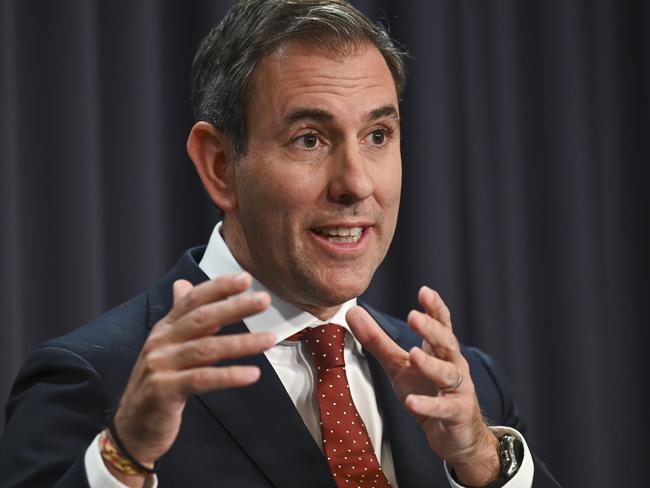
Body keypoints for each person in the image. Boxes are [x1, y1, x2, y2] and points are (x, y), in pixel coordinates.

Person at [0, 1, 560, 487]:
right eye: (310, 139)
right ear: (220, 166)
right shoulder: (98, 378)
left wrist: (484, 466)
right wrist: (121, 460)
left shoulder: (468, 387)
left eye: (377, 136)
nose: (357, 184)